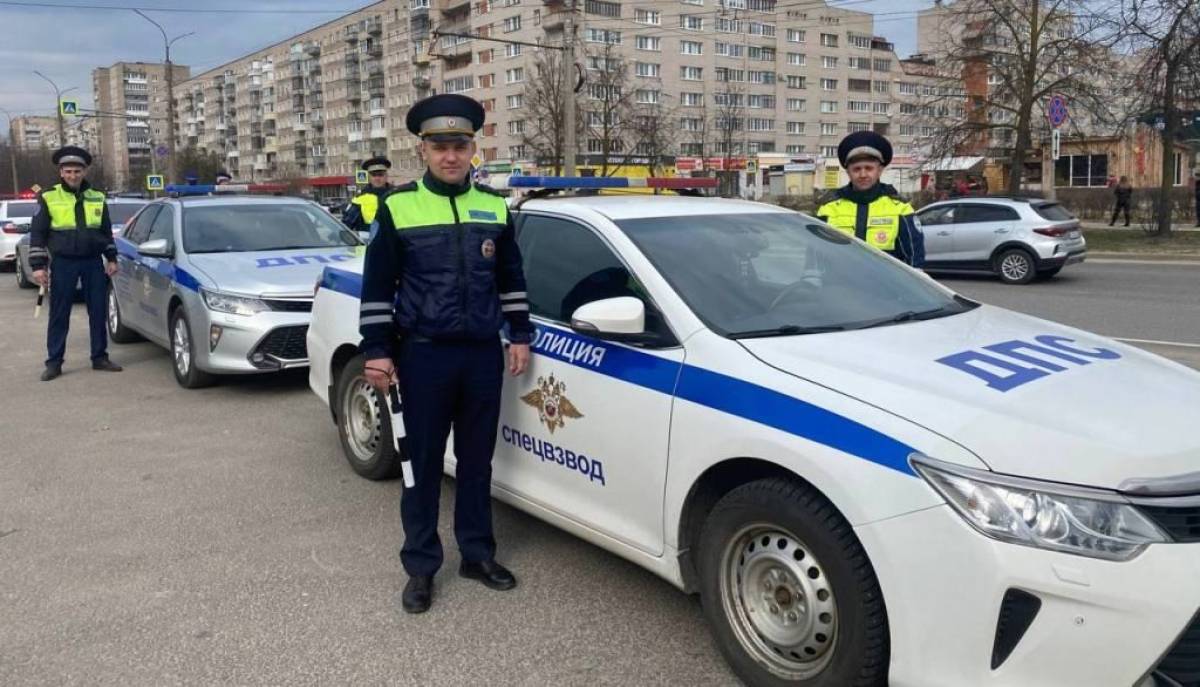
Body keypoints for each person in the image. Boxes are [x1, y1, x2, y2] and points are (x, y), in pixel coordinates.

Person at [358, 93, 533, 614]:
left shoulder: (495, 206)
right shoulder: (398, 206)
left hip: (481, 355)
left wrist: (520, 333)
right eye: (440, 147)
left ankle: (477, 555)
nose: (450, 156)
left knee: (477, 463)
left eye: (459, 146)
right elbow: (377, 286)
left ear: (473, 149)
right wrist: (377, 350)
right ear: (423, 150)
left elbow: (511, 278)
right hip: (424, 356)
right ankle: (420, 566)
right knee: (423, 467)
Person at [27, 146, 123, 381]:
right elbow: (38, 234)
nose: (73, 175)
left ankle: (99, 357)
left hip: (92, 262)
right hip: (63, 263)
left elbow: (105, 231)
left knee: (98, 311)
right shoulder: (49, 196)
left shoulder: (97, 196)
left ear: (84, 172)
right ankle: (54, 362)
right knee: (59, 314)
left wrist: (112, 258)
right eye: (68, 171)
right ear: (61, 172)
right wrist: (38, 266)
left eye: (77, 171)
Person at [816, 131, 925, 267]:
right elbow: (816, 256)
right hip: (839, 280)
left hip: (883, 281)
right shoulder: (828, 210)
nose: (863, 174)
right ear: (848, 172)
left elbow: (914, 262)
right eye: (856, 169)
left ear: (879, 170)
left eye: (869, 168)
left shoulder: (900, 209)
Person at [342, 156, 393, 239]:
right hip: (368, 244)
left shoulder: (396, 195)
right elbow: (346, 226)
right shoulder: (359, 199)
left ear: (386, 175)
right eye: (373, 175)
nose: (377, 178)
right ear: (369, 177)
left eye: (380, 175)